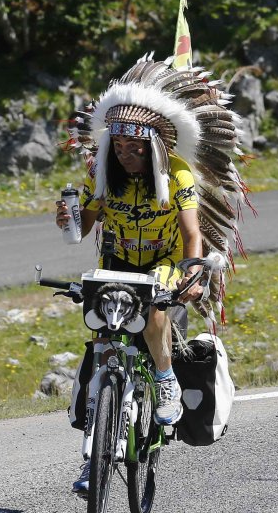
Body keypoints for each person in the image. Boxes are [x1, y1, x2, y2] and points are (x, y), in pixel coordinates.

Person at [54, 55, 251, 494]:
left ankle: (164, 381)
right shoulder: (101, 172)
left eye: (136, 147)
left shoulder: (177, 173)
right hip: (116, 262)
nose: (126, 154)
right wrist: (67, 219)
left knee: (155, 313)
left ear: (155, 146)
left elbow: (191, 231)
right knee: (105, 340)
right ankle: (94, 457)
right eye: (120, 147)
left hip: (164, 261)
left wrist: (194, 271)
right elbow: (82, 226)